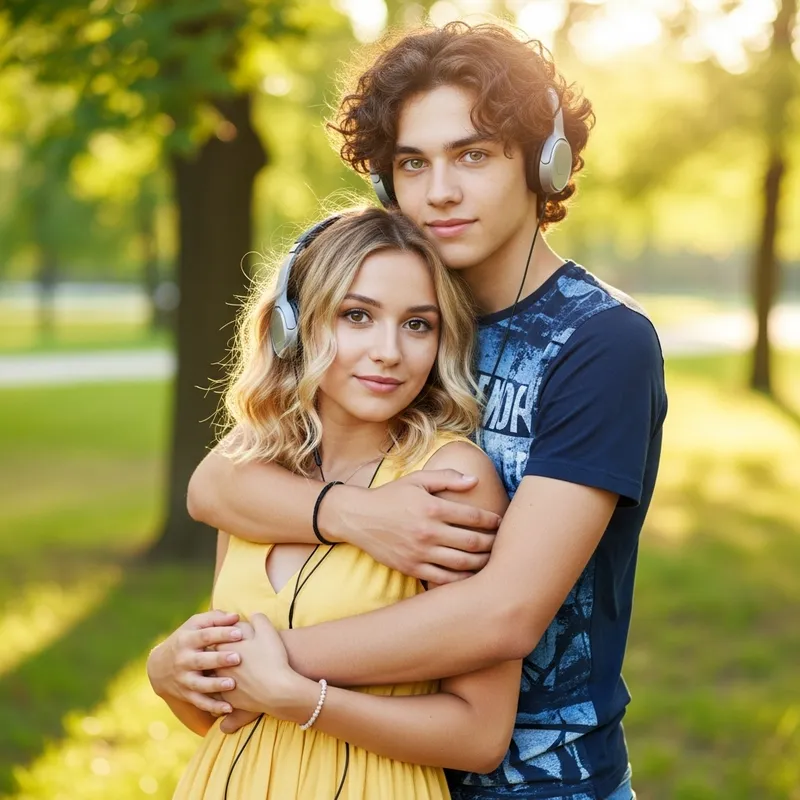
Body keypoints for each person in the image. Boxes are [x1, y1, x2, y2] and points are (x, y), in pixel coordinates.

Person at [153, 21, 667, 800]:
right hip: (363, 766)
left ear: (544, 160)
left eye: (473, 154)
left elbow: (503, 614)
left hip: (540, 782)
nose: (440, 191)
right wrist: (358, 515)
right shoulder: (393, 306)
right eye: (413, 162)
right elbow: (218, 483)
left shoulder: (601, 343)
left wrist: (258, 663)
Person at [150, 206, 518, 798]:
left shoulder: (450, 479)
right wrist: (168, 674)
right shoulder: (256, 474)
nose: (389, 351)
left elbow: (479, 735)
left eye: (417, 324)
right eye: (357, 316)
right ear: (293, 326)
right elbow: (224, 714)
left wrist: (303, 701)